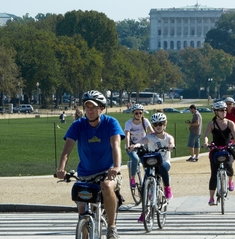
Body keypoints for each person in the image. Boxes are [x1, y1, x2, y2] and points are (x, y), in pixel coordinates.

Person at [56, 90, 124, 239]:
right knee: (82, 212)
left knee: (106, 186)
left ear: (102, 109)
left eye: (93, 107)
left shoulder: (111, 123)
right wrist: (61, 168)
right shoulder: (78, 125)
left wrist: (116, 167)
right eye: (87, 107)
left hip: (108, 172)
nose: (89, 110)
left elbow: (116, 146)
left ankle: (112, 227)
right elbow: (67, 150)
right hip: (85, 174)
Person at [138, 112, 175, 222]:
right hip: (152, 163)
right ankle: (145, 211)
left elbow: (172, 143)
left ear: (165, 124)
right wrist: (135, 145)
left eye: (161, 124)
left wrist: (171, 146)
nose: (158, 126)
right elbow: (142, 142)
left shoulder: (168, 137)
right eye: (155, 124)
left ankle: (167, 188)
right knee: (145, 184)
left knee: (163, 167)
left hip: (164, 162)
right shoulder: (150, 137)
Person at [202, 100, 235, 206]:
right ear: (216, 112)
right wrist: (205, 143)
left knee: (229, 167)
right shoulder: (212, 124)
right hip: (216, 148)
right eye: (221, 110)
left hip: (227, 148)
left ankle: (230, 181)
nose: (224, 112)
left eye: (224, 110)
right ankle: (211, 198)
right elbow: (206, 135)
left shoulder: (230, 123)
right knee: (214, 173)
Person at [124, 104, 154, 189]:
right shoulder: (129, 123)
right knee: (135, 159)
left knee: (148, 163)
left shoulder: (145, 121)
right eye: (136, 113)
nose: (138, 115)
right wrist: (128, 146)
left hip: (142, 145)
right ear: (133, 113)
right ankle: (133, 177)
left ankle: (149, 183)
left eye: (140, 113)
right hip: (132, 146)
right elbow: (127, 135)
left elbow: (151, 132)